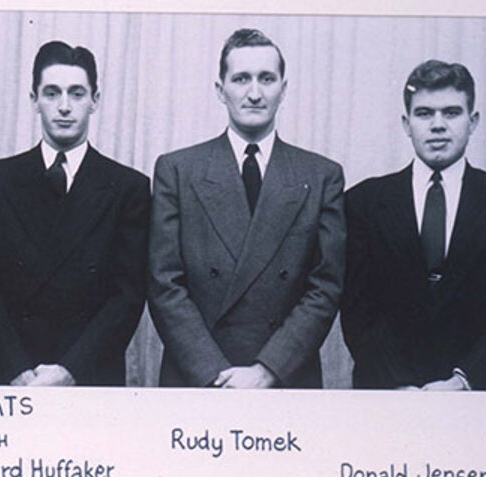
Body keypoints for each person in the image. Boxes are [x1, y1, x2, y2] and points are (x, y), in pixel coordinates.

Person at [148, 29, 345, 388]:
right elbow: (164, 284)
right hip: (199, 379)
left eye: (266, 79)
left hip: (284, 378)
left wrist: (267, 370)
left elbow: (325, 288)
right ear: (220, 90)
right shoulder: (177, 170)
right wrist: (214, 374)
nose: (254, 93)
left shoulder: (321, 176)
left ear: (283, 89)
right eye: (241, 79)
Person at [0, 41, 150, 386]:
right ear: (34, 100)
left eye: (77, 94)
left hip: (90, 377)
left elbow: (127, 296)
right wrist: (16, 369)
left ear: (95, 100)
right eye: (51, 93)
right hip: (13, 377)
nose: (64, 107)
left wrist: (70, 371)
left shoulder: (129, 188)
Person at [341, 60, 486, 391]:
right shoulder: (363, 202)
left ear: (472, 121)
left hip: (479, 396)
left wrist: (463, 380)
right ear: (406, 124)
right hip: (388, 396)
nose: (437, 125)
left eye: (451, 113)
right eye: (424, 113)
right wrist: (401, 387)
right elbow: (358, 311)